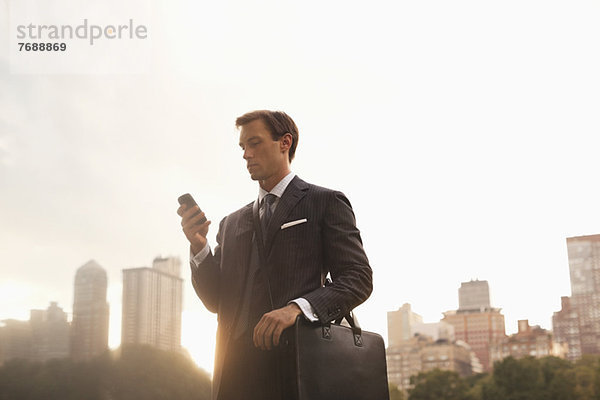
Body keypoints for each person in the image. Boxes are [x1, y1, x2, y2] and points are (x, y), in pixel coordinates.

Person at [177, 110, 372, 400]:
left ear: (285, 142)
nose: (246, 154)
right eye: (243, 147)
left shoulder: (325, 202)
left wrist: (297, 308)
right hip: (233, 376)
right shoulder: (230, 223)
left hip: (297, 367)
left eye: (254, 143)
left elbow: (358, 278)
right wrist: (199, 247)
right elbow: (216, 301)